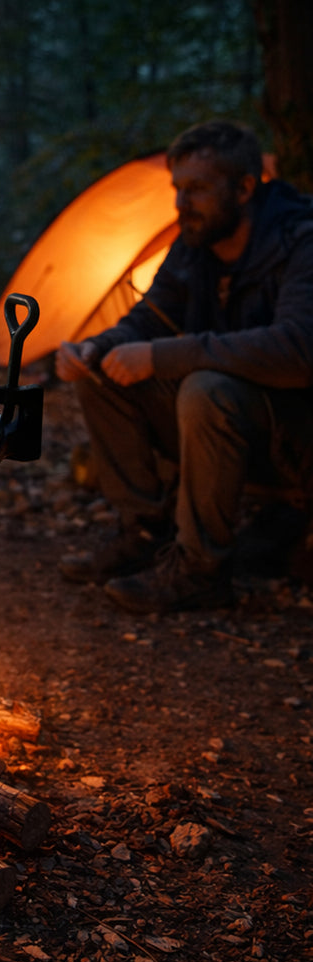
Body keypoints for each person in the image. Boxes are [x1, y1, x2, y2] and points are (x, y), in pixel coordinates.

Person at [55, 119, 313, 614]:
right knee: (103, 372)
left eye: (196, 190)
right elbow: (149, 317)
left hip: (294, 441)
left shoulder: (299, 242)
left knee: (205, 387)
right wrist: (95, 347)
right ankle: (147, 532)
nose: (180, 204)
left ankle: (201, 571)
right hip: (230, 434)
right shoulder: (194, 247)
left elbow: (297, 351)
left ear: (244, 187)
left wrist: (165, 355)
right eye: (178, 189)